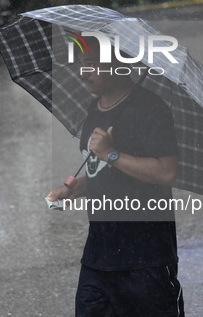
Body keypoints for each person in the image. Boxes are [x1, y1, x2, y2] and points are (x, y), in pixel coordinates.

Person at [47, 38, 185, 316]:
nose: (84, 73)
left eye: (93, 65)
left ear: (118, 66)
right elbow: (102, 174)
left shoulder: (150, 108)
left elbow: (166, 171)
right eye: (82, 65)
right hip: (99, 257)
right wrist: (71, 188)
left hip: (146, 259)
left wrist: (112, 154)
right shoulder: (93, 109)